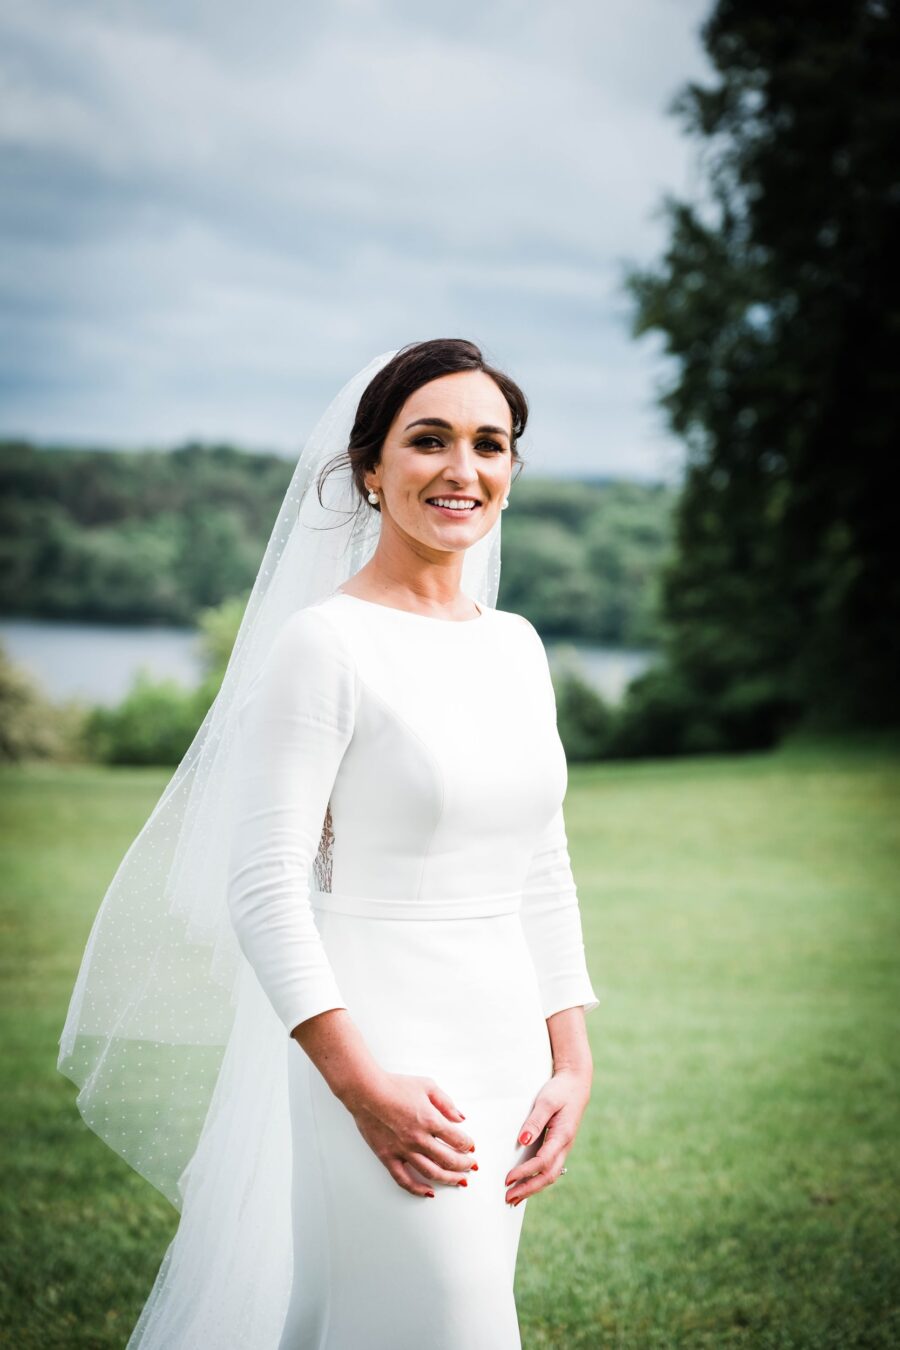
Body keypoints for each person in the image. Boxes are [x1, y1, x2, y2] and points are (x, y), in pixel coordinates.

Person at [58, 338, 600, 1348]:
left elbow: (542, 863)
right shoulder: (328, 644)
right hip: (384, 1048)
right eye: (427, 440)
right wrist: (359, 1085)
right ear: (369, 467)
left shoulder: (516, 645)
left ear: (513, 470)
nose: (462, 469)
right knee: (446, 1322)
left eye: (490, 444)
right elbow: (264, 884)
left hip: (505, 1048)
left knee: (391, 1320)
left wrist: (572, 1059)